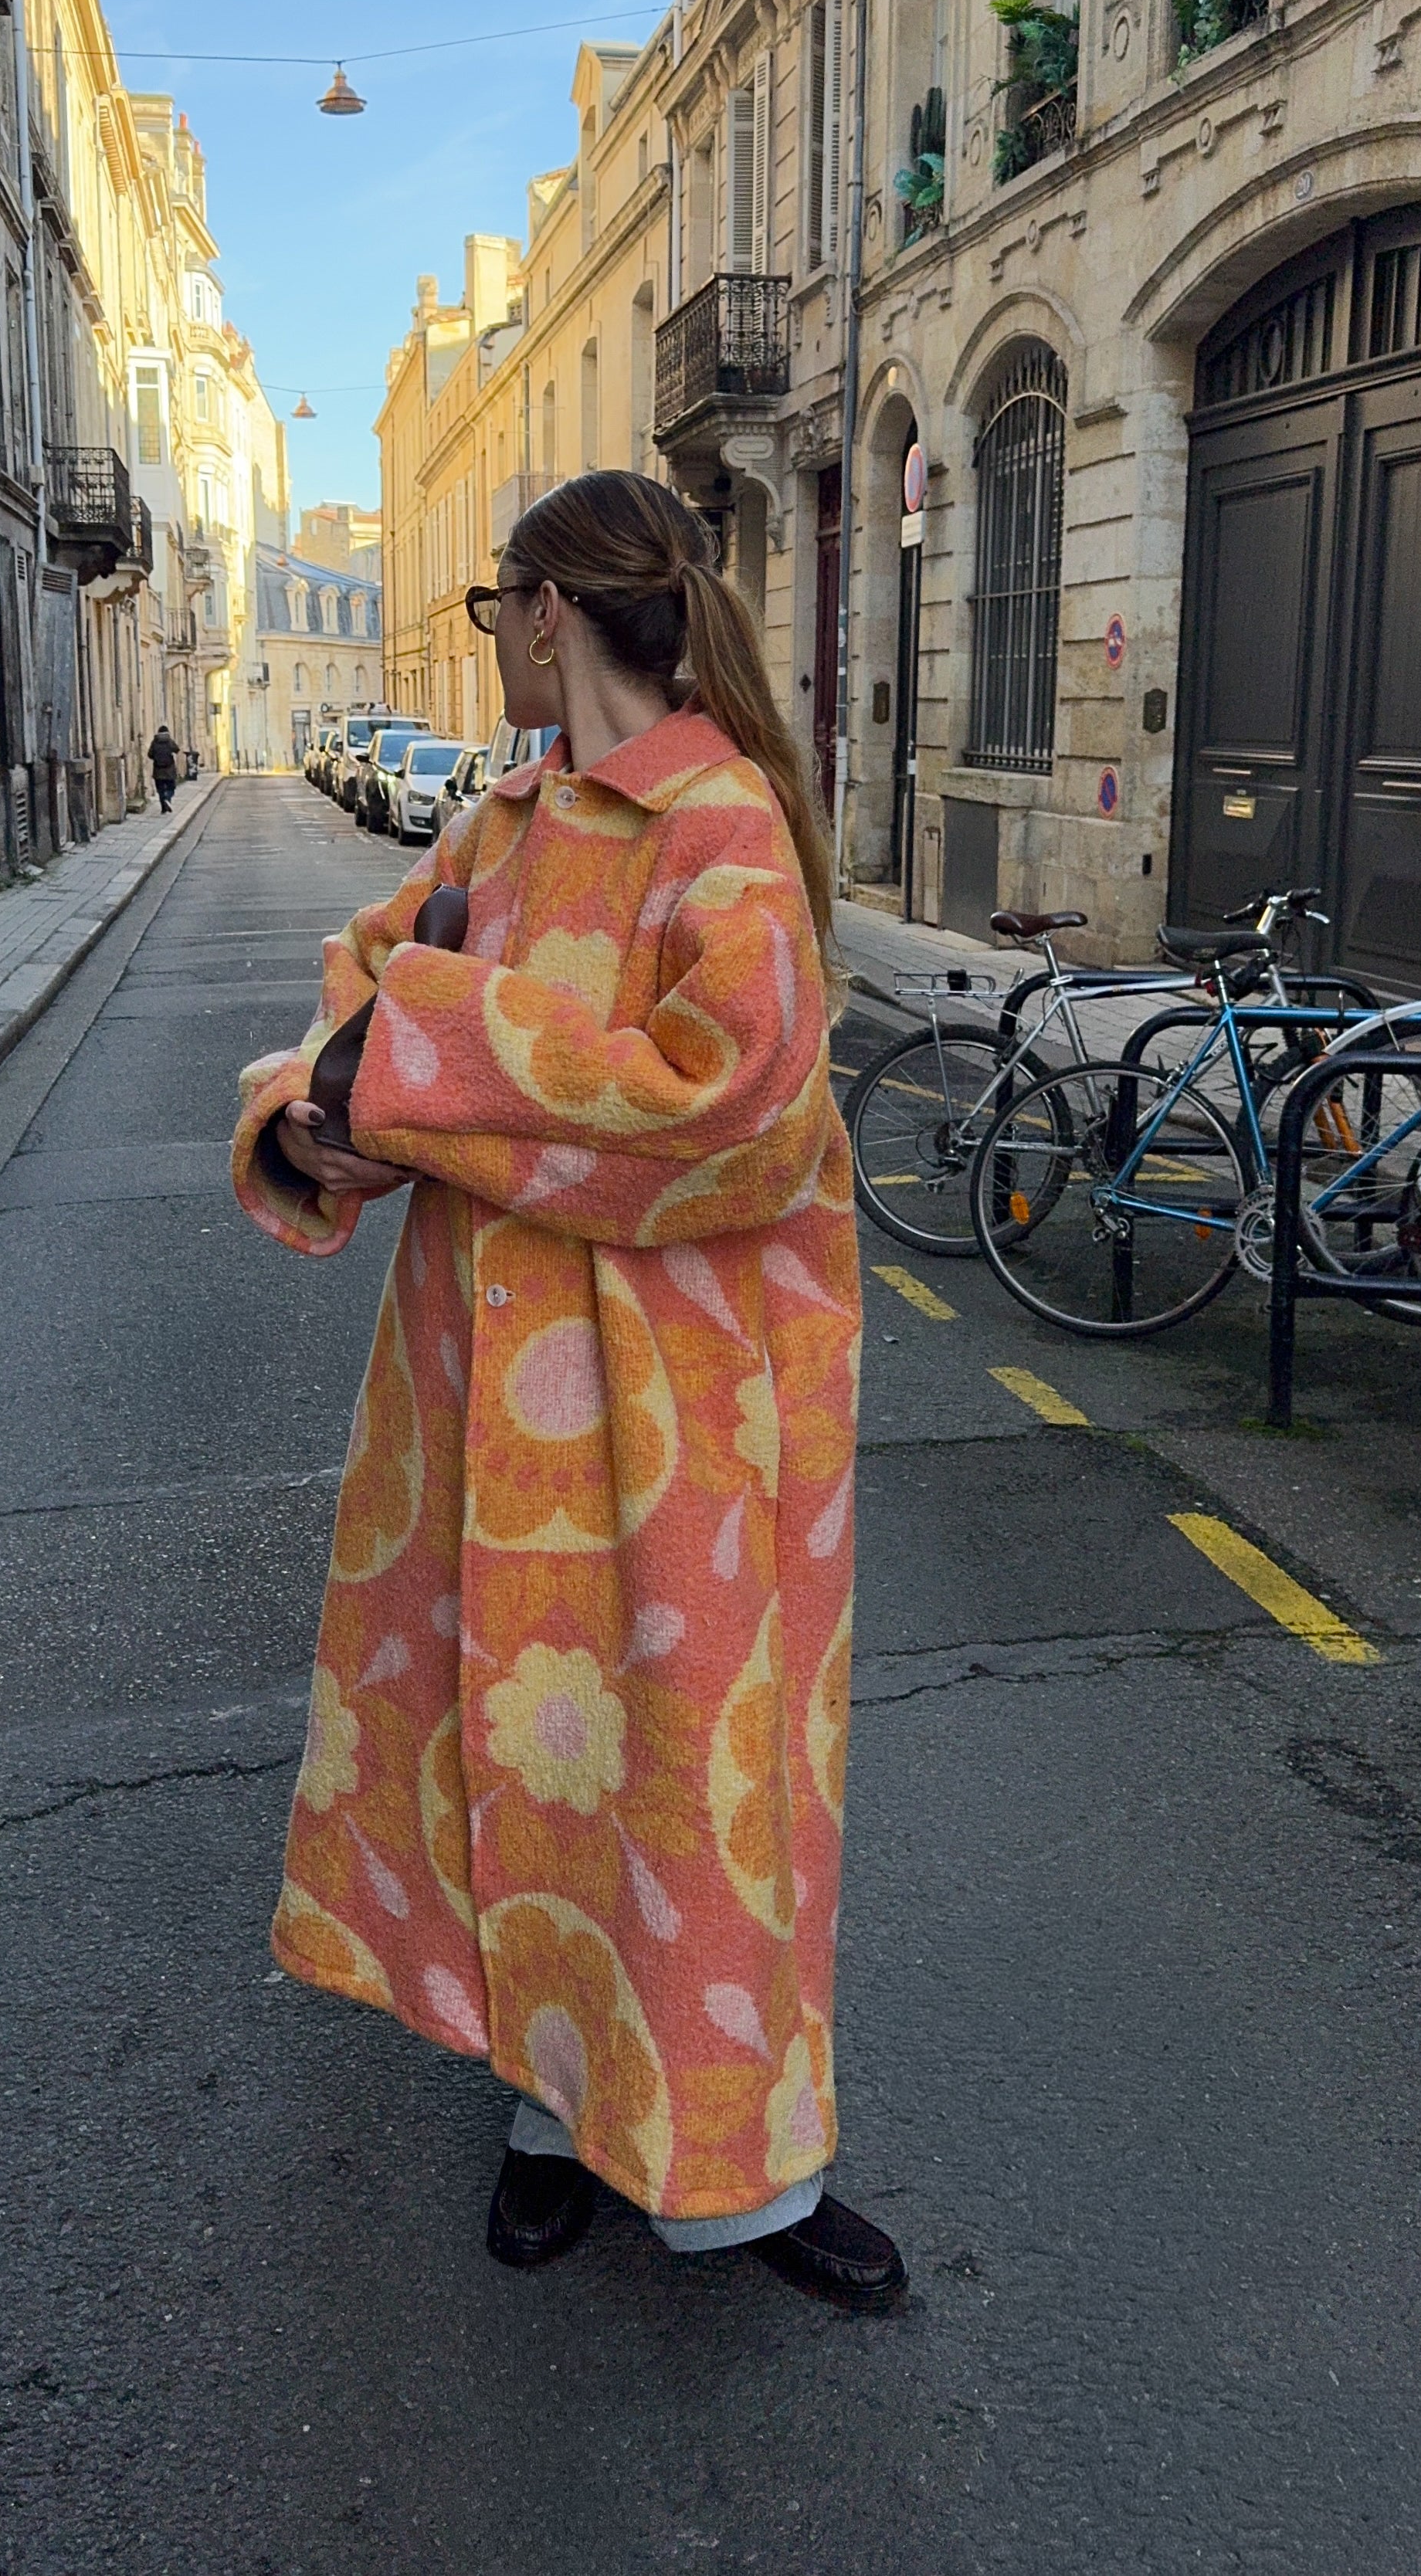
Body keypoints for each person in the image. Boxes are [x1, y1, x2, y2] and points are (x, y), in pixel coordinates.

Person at [230, 470, 903, 2312]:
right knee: (528, 1757)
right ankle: (552, 2109)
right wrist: (320, 1113)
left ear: (546, 611)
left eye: (490, 609)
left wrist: (421, 1065)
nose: (491, 641)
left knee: (698, 1776)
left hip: (689, 1416)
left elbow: (731, 1107)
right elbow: (360, 993)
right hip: (482, 1405)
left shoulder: (720, 821)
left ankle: (747, 2168)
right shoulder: (501, 821)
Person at [148, 724, 179, 813]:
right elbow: (177, 749)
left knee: (160, 790)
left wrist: (156, 758)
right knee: (171, 788)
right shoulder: (170, 741)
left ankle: (163, 808)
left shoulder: (154, 742)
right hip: (169, 770)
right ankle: (168, 798)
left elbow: (150, 754)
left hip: (158, 771)